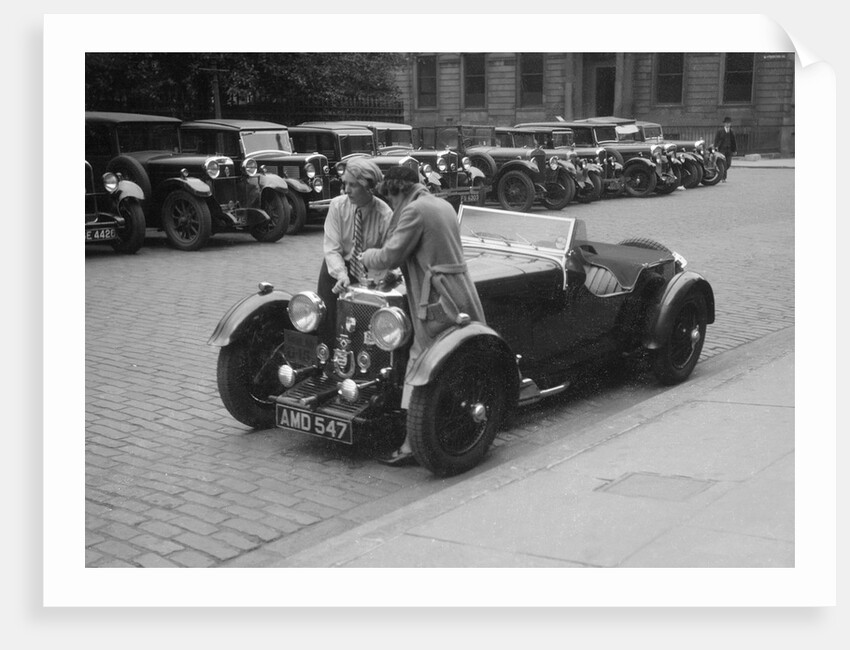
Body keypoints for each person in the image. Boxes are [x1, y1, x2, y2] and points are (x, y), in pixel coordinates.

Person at [359, 165, 487, 467]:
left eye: (391, 197)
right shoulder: (441, 204)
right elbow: (428, 252)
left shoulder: (414, 210)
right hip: (459, 289)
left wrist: (366, 256)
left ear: (399, 189)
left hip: (436, 299)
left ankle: (412, 443)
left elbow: (390, 255)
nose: (392, 204)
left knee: (420, 360)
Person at [316, 157, 393, 345]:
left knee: (362, 324)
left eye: (353, 185)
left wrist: (377, 277)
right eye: (345, 184)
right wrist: (341, 274)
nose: (346, 190)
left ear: (369, 187)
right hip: (336, 268)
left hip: (369, 272)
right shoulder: (337, 206)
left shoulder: (385, 214)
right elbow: (332, 248)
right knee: (326, 318)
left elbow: (389, 255)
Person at [713, 116, 737, 182]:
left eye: (729, 123)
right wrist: (715, 147)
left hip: (729, 150)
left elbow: (733, 141)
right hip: (722, 149)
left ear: (730, 124)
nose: (727, 124)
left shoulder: (731, 131)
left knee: (728, 163)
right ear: (724, 124)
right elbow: (716, 140)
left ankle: (721, 172)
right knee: (724, 163)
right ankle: (723, 177)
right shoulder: (720, 131)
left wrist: (734, 150)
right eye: (726, 123)